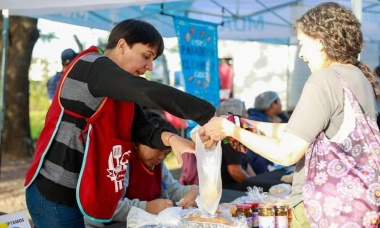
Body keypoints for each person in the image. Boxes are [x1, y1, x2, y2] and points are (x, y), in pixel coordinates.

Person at [199, 2, 380, 227]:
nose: (302, 54)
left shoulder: (324, 79)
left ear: (321, 41)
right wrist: (238, 122)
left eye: (303, 44)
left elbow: (286, 154)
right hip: (356, 206)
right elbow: (297, 129)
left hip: (322, 209)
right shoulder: (358, 78)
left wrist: (231, 130)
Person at [24, 19, 216, 228]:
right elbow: (147, 91)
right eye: (146, 56)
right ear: (122, 45)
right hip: (54, 192)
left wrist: (171, 139)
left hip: (81, 193)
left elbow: (141, 127)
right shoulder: (92, 67)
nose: (149, 66)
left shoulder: (117, 86)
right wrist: (209, 116)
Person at [85, 112, 198, 227]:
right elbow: (109, 206)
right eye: (158, 150)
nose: (161, 157)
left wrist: (192, 191)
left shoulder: (158, 166)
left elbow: (172, 190)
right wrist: (147, 207)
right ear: (141, 140)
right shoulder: (122, 162)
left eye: (166, 154)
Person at [247, 91, 289, 175]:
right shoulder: (257, 122)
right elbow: (260, 151)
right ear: (272, 104)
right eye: (279, 102)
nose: (281, 105)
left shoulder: (269, 118)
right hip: (261, 169)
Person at [217, 98, 255, 191]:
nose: (248, 116)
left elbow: (244, 163)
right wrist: (254, 187)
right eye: (245, 112)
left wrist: (256, 181)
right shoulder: (229, 137)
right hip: (229, 189)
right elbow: (235, 171)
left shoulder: (234, 134)